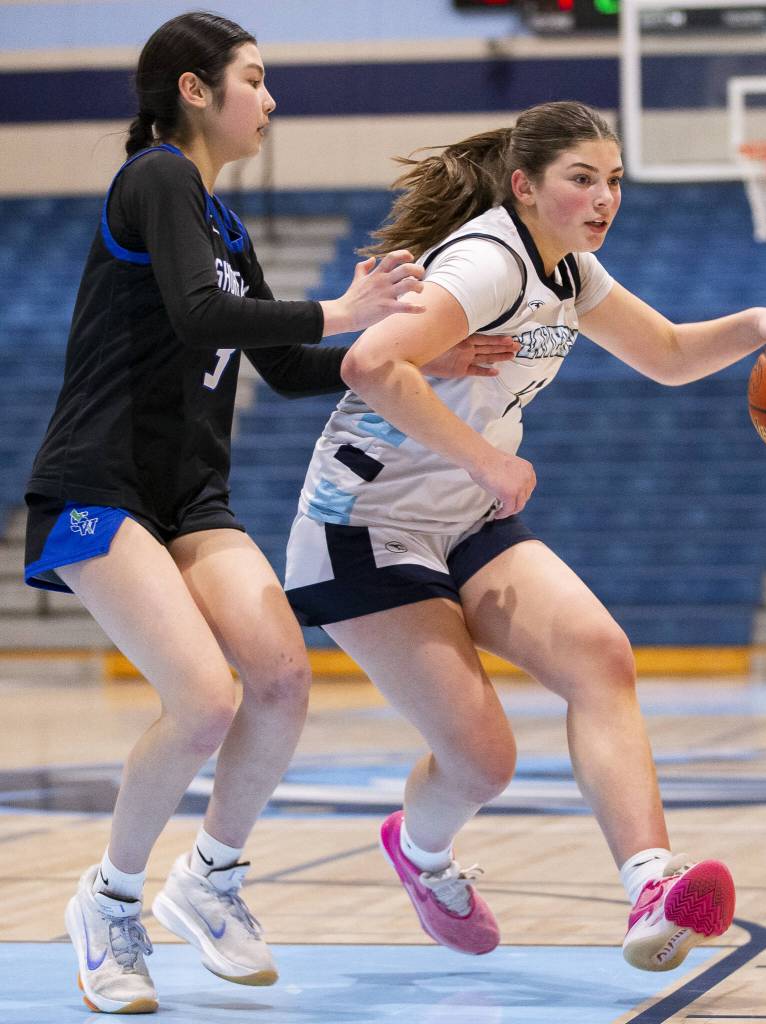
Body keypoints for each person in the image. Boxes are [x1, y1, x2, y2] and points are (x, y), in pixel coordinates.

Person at [284, 101, 766, 968]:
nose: (604, 199)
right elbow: (372, 363)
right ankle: (420, 851)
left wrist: (756, 326)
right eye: (581, 180)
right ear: (523, 186)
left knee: (600, 656)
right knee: (481, 761)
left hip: (464, 519)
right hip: (364, 525)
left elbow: (665, 354)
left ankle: (650, 885)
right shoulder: (486, 260)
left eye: (614, 181)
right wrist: (485, 459)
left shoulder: (569, 271)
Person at [23, 12, 517, 1015]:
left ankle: (210, 876)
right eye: (254, 78)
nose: (271, 98)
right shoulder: (156, 177)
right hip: (99, 485)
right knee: (205, 699)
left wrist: (422, 352)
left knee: (284, 678)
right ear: (195, 90)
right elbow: (204, 318)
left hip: (188, 495)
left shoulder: (223, 224)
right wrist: (347, 308)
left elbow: (286, 368)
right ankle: (109, 901)